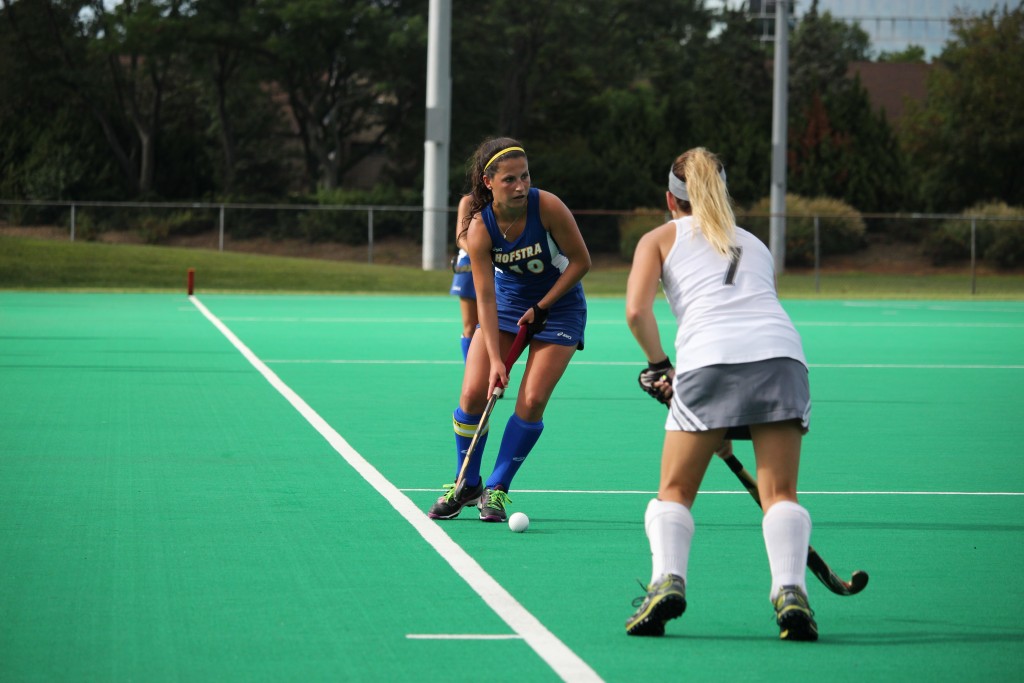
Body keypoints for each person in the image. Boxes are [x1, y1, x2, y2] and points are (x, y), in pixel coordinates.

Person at [623, 147, 818, 641]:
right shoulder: (754, 243)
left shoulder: (658, 239)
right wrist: (723, 425)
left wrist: (658, 364)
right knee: (780, 494)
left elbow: (636, 312)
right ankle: (791, 591)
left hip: (709, 360)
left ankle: (668, 579)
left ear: (670, 199)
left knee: (675, 492)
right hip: (782, 357)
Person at [427, 137, 590, 523]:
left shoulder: (547, 206)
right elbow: (484, 296)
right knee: (472, 393)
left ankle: (498, 488)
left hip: (560, 305)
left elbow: (581, 262)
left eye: (525, 176)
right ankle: (467, 483)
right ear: (488, 181)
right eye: (510, 180)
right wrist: (498, 361)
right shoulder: (480, 228)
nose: (520, 186)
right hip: (506, 306)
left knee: (531, 399)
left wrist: (543, 306)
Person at [449, 195, 478, 361]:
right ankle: (472, 374)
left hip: (498, 263)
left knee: (491, 327)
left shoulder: (505, 200)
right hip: (470, 263)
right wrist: (479, 254)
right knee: (470, 326)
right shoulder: (468, 201)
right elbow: (461, 237)